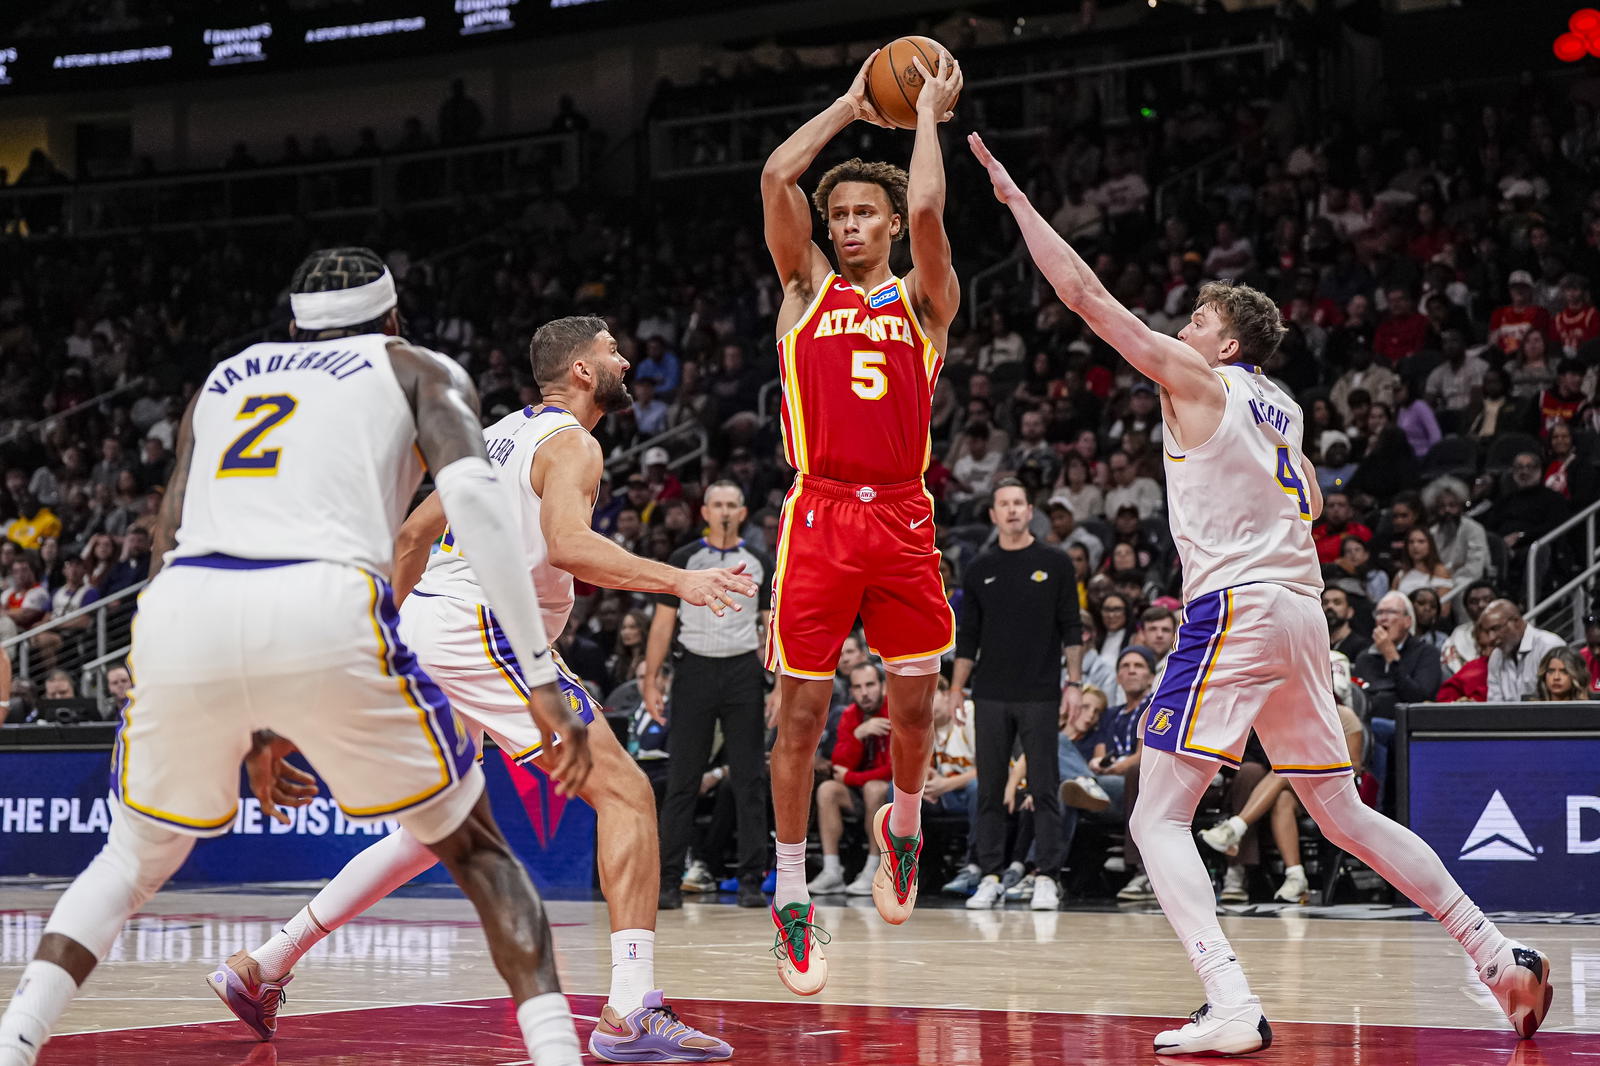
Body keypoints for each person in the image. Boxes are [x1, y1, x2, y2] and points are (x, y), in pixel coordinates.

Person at [970, 136, 1553, 1054]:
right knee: (1344, 813)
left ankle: (1230, 1000)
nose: (1184, 328)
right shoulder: (1281, 404)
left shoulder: (1199, 377)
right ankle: (1491, 951)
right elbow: (1313, 495)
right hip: (1300, 610)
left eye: (1197, 319)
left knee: (1155, 813)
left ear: (1225, 340)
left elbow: (1085, 297)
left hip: (1236, 607)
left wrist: (1016, 203)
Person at [0, 247, 598, 1066]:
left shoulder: (225, 378)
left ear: (293, 326)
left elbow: (166, 533)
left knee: (130, 859)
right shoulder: (417, 369)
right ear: (392, 320)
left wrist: (234, 711)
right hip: (322, 600)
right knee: (479, 851)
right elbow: (478, 517)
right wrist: (539, 675)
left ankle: (15, 1038)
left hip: (184, 610)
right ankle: (561, 1052)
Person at [220, 315, 752, 1063]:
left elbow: (409, 539)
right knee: (629, 794)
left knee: (433, 832)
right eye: (610, 350)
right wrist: (681, 581)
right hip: (484, 629)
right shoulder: (574, 443)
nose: (625, 359)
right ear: (579, 373)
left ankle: (265, 963)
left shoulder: (495, 435)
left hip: (431, 628)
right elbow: (569, 544)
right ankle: (630, 1010)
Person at [758, 46, 963, 995]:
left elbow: (929, 209)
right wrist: (850, 103)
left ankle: (906, 826)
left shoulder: (925, 299)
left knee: (914, 704)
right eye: (837, 216)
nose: (846, 226)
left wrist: (923, 116)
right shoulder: (803, 291)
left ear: (886, 225)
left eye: (860, 214)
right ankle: (791, 892)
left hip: (905, 515)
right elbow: (775, 174)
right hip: (822, 513)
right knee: (799, 713)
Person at [948, 480, 1083, 913]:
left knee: (1043, 787)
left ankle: (1045, 875)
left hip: (1041, 693)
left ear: (1029, 512)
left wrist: (1075, 685)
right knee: (989, 789)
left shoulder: (1056, 563)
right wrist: (955, 689)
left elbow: (1072, 630)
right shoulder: (979, 567)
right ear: (992, 514)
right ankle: (988, 874)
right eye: (1003, 505)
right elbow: (968, 636)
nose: (1011, 511)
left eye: (1018, 504)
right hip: (989, 692)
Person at [645, 481, 774, 912]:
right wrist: (650, 678)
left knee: (750, 776)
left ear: (742, 512)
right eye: (717, 503)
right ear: (704, 511)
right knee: (682, 777)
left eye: (731, 504)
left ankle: (752, 878)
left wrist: (777, 682)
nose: (724, 510)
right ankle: (667, 879)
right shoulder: (685, 559)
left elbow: (771, 625)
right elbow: (662, 624)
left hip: (742, 670)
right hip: (694, 668)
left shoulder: (759, 560)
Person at [807, 661, 894, 896]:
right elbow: (839, 767)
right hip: (859, 790)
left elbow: (892, 770)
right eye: (858, 687)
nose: (864, 693)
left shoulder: (895, 711)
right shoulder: (849, 715)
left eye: (870, 685)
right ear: (851, 690)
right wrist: (858, 735)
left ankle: (874, 868)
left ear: (883, 686)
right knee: (827, 789)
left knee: (874, 788)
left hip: (890, 792)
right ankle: (832, 870)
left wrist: (853, 778)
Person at [1480, 599, 1568, 703]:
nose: (1491, 638)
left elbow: (1563, 698)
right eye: (1487, 631)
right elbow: (1494, 704)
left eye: (1496, 628)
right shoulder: (1496, 656)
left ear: (1516, 621)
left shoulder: (1549, 646)